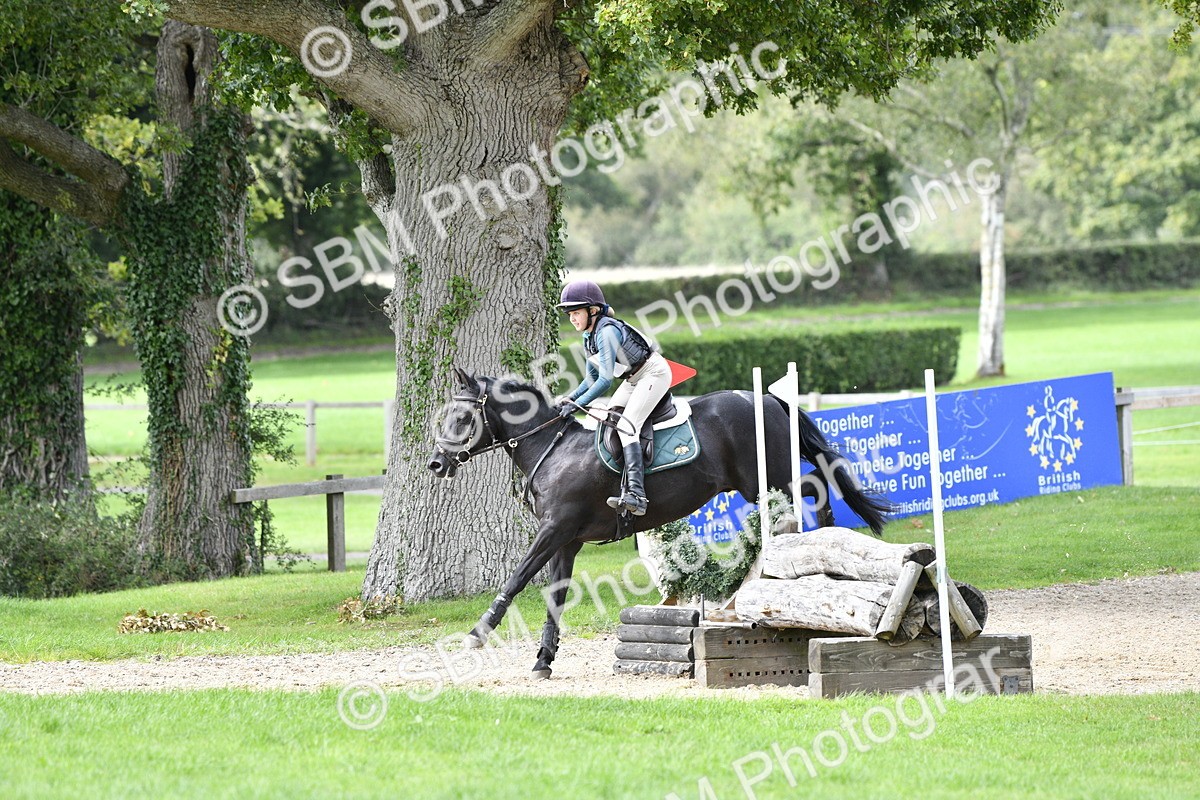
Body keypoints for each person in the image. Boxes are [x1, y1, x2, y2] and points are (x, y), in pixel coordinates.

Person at [555, 280, 672, 516]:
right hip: (633, 379)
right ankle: (620, 482)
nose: (573, 319)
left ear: (593, 310)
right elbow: (590, 380)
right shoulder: (589, 336)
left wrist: (579, 404)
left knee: (627, 425)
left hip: (653, 373)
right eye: (570, 315)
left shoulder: (606, 332)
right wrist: (570, 399)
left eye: (576, 313)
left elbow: (605, 381)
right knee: (610, 418)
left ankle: (638, 495)